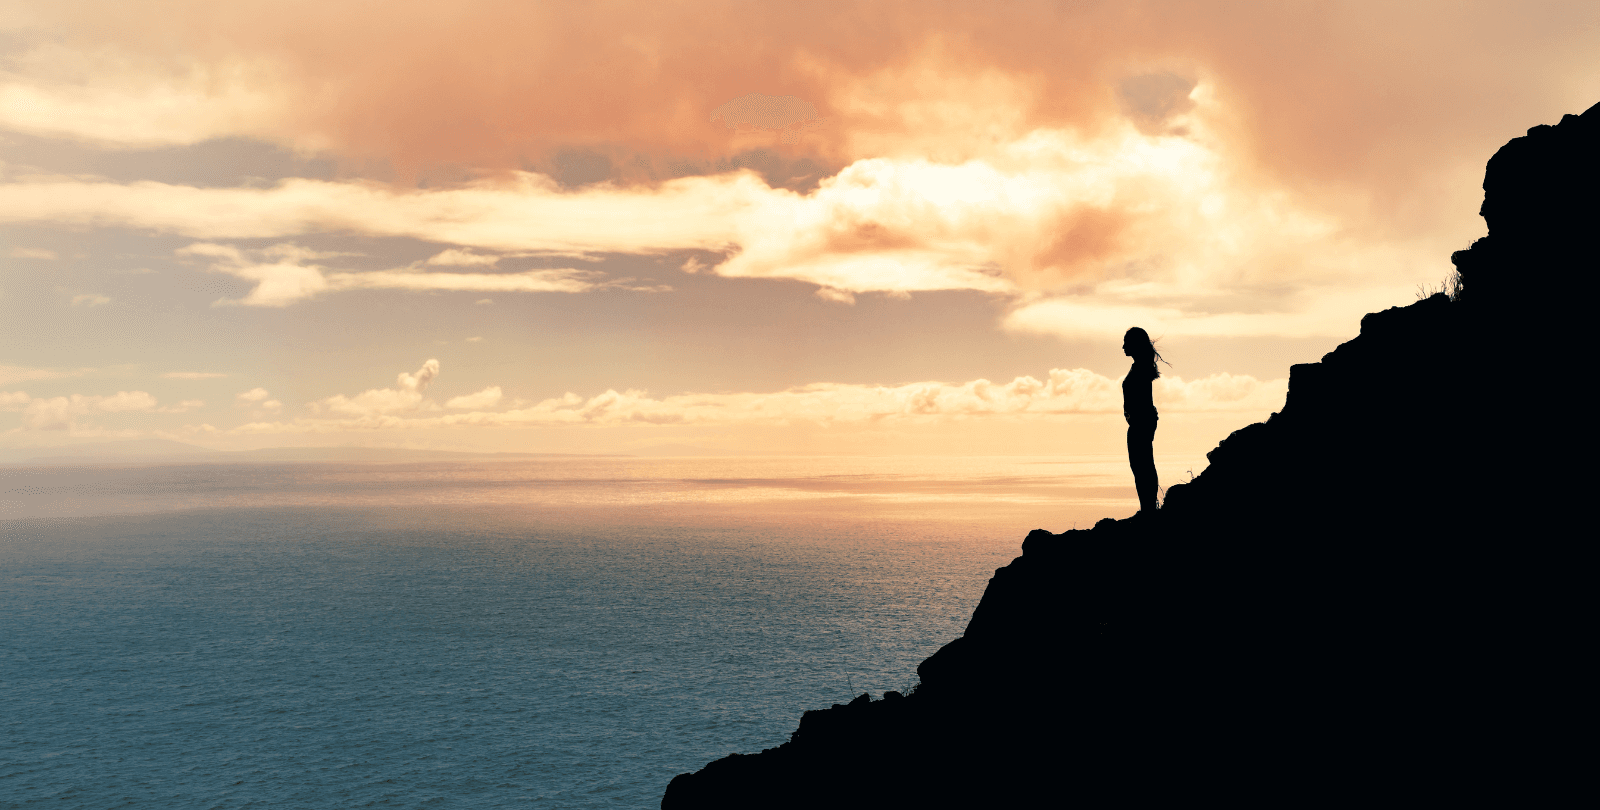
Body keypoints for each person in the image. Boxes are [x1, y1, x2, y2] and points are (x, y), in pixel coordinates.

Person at [1122, 327, 1166, 517]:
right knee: (1142, 465)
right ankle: (1148, 507)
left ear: (1135, 344)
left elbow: (1141, 400)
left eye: (1126, 342)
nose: (1123, 346)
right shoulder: (1140, 365)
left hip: (1142, 422)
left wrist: (1137, 418)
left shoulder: (1141, 366)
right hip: (1142, 421)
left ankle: (1148, 509)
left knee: (1142, 465)